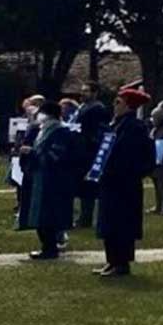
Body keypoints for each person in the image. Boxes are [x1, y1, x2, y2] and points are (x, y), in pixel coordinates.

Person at [93, 85, 156, 278]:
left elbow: (132, 156)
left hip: (124, 184)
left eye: (118, 102)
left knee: (121, 224)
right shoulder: (115, 125)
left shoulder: (134, 127)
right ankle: (111, 260)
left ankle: (121, 263)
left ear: (128, 105)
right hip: (110, 182)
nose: (114, 105)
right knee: (108, 222)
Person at [15, 98, 80, 260]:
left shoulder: (61, 131)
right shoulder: (42, 130)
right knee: (39, 215)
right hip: (39, 177)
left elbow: (57, 156)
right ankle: (47, 246)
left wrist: (32, 153)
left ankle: (50, 248)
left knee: (48, 216)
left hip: (53, 180)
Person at [72, 91, 109, 228]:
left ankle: (86, 217)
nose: (83, 93)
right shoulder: (82, 107)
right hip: (81, 149)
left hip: (90, 151)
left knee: (89, 186)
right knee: (83, 186)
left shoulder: (97, 108)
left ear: (94, 92)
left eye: (87, 90)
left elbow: (99, 130)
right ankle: (83, 216)